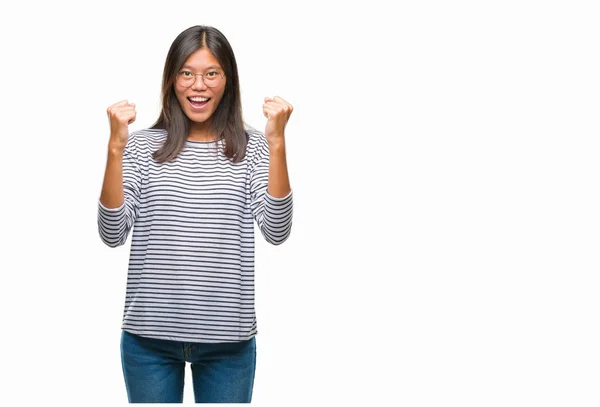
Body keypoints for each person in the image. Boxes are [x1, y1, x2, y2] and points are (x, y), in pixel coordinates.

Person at [97, 25, 293, 403]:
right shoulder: (141, 147)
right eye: (187, 73)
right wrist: (115, 150)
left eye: (211, 73)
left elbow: (277, 229)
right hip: (148, 342)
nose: (198, 85)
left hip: (228, 345)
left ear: (228, 81)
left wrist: (278, 144)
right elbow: (112, 233)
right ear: (172, 80)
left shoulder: (252, 149)